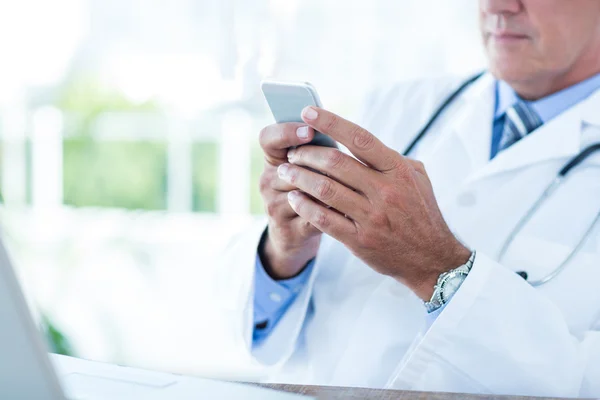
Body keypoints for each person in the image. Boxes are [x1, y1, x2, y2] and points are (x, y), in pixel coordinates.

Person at [216, 0, 600, 396]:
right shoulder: (398, 106)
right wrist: (283, 254)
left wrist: (438, 270)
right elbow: (246, 329)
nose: (497, 6)